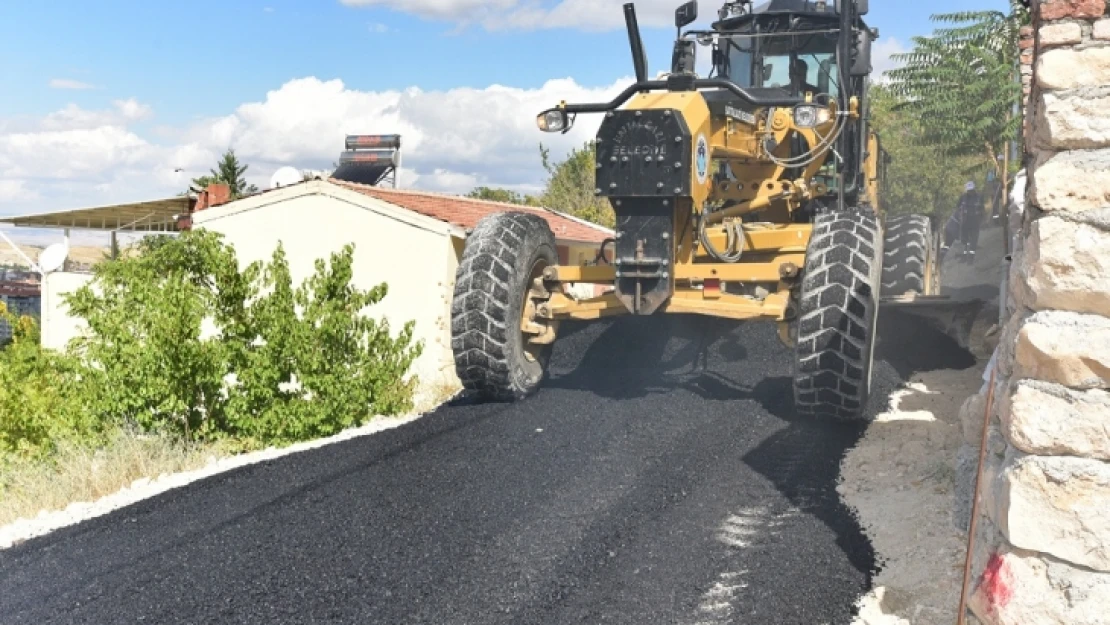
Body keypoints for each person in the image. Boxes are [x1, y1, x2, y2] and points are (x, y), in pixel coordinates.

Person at [957, 181, 984, 257]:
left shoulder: (979, 197)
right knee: (965, 237)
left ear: (974, 189)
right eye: (968, 190)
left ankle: (972, 255)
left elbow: (982, 209)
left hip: (975, 220)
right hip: (965, 220)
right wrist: (961, 214)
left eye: (971, 190)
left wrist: (982, 218)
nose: (970, 192)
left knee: (974, 237)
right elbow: (958, 207)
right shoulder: (963, 197)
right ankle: (965, 253)